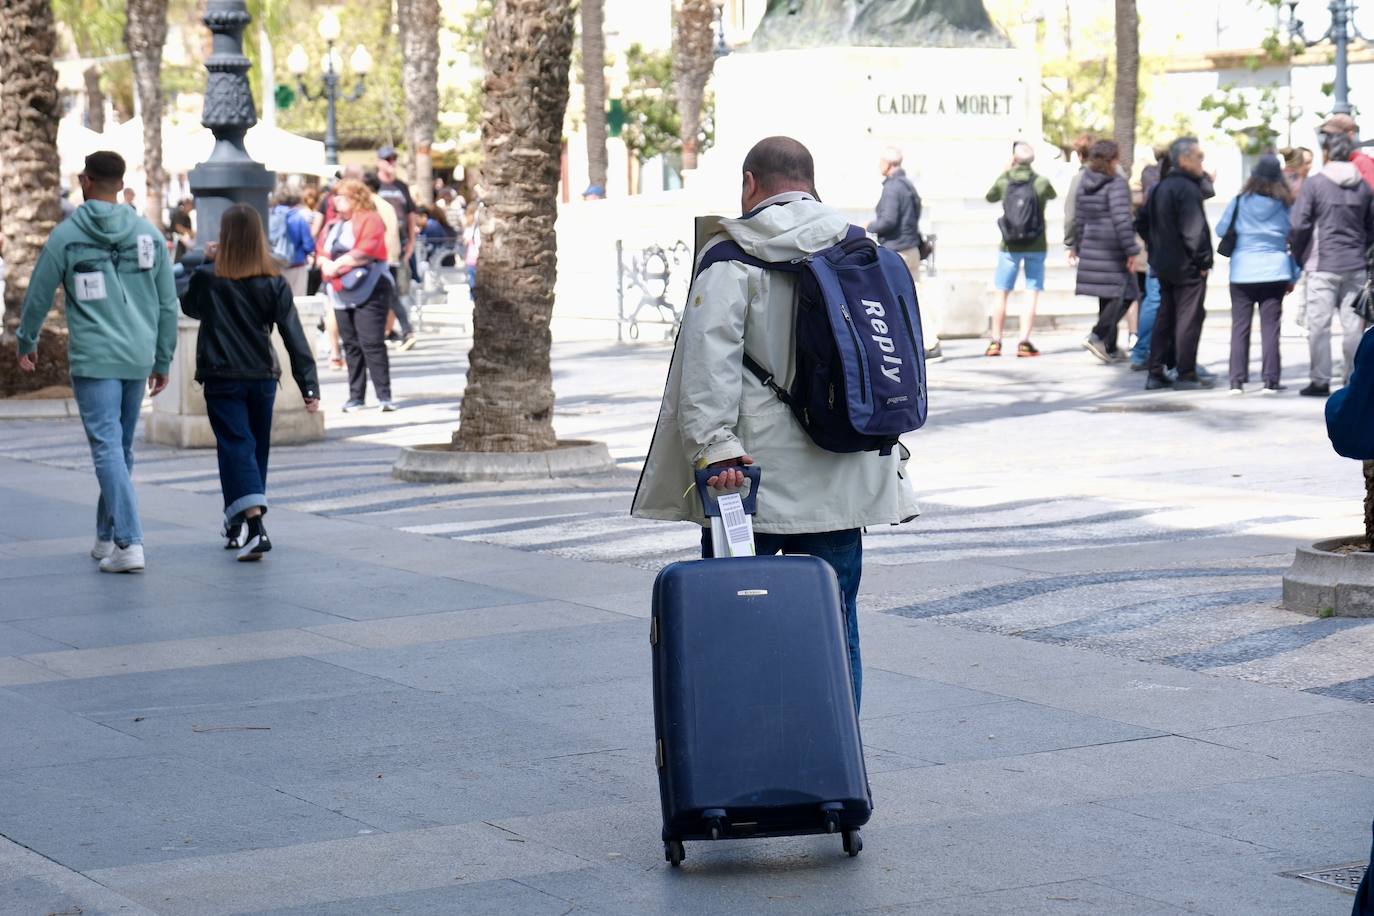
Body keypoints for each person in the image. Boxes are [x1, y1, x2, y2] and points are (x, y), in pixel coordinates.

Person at [631, 136, 920, 709]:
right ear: (811, 183)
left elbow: (707, 367)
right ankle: (835, 771)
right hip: (844, 472)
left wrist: (714, 449)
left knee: (742, 627)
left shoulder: (731, 259)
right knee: (836, 629)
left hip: (747, 480)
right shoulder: (860, 252)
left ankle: (749, 763)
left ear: (749, 184)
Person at [14, 151, 177, 573]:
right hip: (138, 355)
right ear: (121, 185)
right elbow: (166, 304)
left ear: (85, 181)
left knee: (107, 448)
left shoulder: (66, 236)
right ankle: (107, 537)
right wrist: (163, 357)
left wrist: (26, 339)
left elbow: (38, 293)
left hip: (94, 356)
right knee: (119, 448)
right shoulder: (148, 235)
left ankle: (128, 542)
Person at [181, 204, 320, 560]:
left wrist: (204, 262)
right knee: (251, 451)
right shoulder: (273, 281)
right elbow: (294, 335)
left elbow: (189, 307)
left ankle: (255, 526)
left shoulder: (209, 278)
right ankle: (236, 524)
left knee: (235, 448)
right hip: (261, 377)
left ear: (224, 237)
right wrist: (309, 385)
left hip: (222, 375)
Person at [1289, 132, 1374, 397]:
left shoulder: (1315, 184)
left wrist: (1299, 254)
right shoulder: (1363, 187)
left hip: (1322, 263)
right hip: (1355, 262)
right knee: (1353, 327)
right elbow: (1371, 227)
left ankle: (1320, 380)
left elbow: (1299, 223)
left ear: (1326, 153)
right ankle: (1352, 378)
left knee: (1319, 326)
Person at [1135, 137, 1214, 391]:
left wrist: (1156, 246)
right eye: (1198, 156)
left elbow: (1141, 222)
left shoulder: (1161, 187)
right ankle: (1185, 373)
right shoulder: (1186, 189)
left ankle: (1156, 371)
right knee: (1187, 318)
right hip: (1186, 265)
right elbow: (1194, 231)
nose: (1202, 161)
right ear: (1183, 159)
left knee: (1166, 317)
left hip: (1164, 263)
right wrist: (1202, 260)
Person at [1216, 155, 1299, 395]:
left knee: (1239, 326)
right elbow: (1295, 235)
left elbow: (1222, 229)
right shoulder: (1286, 204)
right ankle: (1270, 380)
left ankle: (1236, 380)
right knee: (1271, 327)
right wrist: (1293, 275)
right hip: (1276, 270)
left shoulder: (1240, 201)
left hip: (1242, 271)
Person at [317, 179, 397, 412]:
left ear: (356, 197)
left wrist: (338, 263)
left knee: (372, 342)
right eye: (336, 196)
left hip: (370, 285)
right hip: (340, 287)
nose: (337, 200)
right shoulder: (333, 224)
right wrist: (325, 263)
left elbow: (368, 249)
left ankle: (384, 396)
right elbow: (321, 249)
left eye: (342, 196)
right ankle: (356, 396)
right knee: (350, 344)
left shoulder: (370, 219)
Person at [867, 145, 941, 362]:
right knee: (918, 297)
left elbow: (888, 221)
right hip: (911, 249)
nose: (879, 165)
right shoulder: (908, 186)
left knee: (886, 298)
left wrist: (869, 226)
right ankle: (930, 343)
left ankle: (893, 347)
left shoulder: (892, 188)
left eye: (881, 161)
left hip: (896, 251)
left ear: (888, 164)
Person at [984, 141, 1056, 357]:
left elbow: (990, 197)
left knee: (1001, 290)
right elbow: (1051, 195)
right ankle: (1024, 341)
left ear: (1014, 159)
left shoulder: (1005, 180)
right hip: (1036, 243)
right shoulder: (1041, 182)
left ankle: (996, 341)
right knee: (1031, 290)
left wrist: (1004, 172)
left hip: (1009, 244)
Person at [1073, 139, 1141, 363]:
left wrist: (1078, 244)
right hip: (1113, 246)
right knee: (1129, 293)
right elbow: (1122, 219)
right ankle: (1097, 335)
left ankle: (1109, 347)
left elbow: (1079, 215)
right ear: (1113, 158)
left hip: (1092, 243)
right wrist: (1131, 250)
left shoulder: (1085, 181)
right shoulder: (1116, 183)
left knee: (1107, 296)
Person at [363, 170, 417, 351]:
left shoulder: (373, 205)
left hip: (382, 258)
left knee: (389, 297)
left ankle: (406, 331)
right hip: (390, 257)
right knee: (390, 297)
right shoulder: (385, 205)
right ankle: (398, 332)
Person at [268, 190, 316, 296]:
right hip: (296, 265)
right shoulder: (299, 218)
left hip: (275, 265)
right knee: (297, 301)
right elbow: (308, 245)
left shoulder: (271, 216)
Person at [1318, 114, 1374, 190]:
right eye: (1327, 135)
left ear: (1351, 135)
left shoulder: (1362, 162)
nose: (1329, 140)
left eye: (1335, 135)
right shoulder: (1331, 162)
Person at [1062, 132, 1095, 250]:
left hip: (1088, 243)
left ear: (1080, 155)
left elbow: (1071, 216)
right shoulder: (1117, 173)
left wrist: (1069, 242)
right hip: (1116, 244)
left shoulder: (1079, 178)